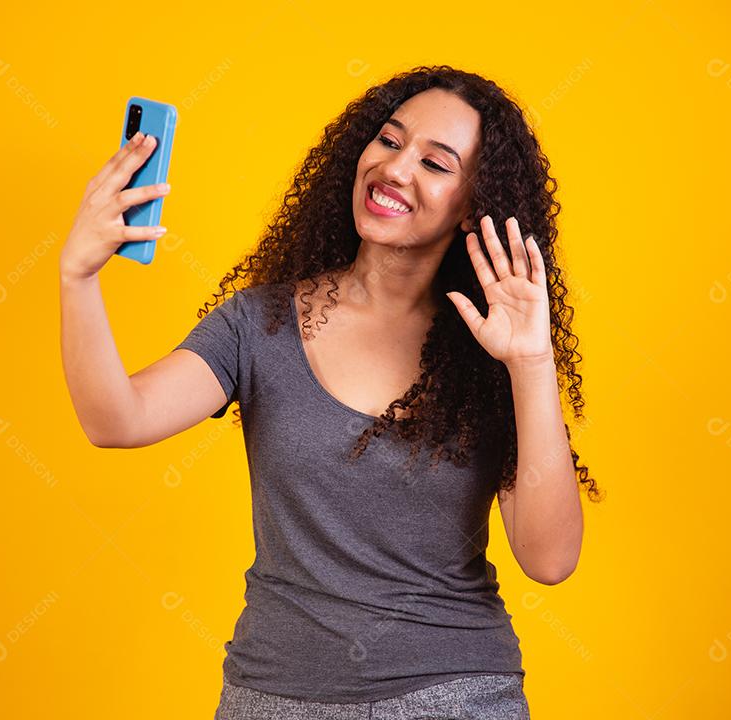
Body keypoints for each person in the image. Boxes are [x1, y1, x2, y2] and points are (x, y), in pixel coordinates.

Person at [59, 65, 603, 719]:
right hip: (274, 697)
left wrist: (532, 361)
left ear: (472, 205)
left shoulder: (491, 353)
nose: (397, 170)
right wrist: (77, 278)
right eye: (390, 141)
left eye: (435, 163)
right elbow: (116, 419)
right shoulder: (259, 324)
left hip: (451, 696)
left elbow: (549, 559)